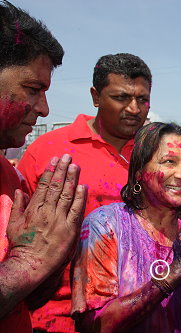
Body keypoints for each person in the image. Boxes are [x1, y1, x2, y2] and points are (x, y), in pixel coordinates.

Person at [17, 52, 152, 332]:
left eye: (142, 99)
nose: (134, 108)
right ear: (96, 96)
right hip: (55, 317)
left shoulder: (157, 154)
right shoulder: (47, 151)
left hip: (140, 312)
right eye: (121, 97)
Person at [71, 122, 181, 332]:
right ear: (139, 172)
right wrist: (176, 270)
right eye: (169, 161)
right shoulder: (106, 225)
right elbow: (95, 325)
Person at [0, 1, 86, 332]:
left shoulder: (12, 178)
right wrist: (25, 264)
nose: (44, 109)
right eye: (33, 89)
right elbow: (24, 270)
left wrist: (55, 254)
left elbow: (27, 300)